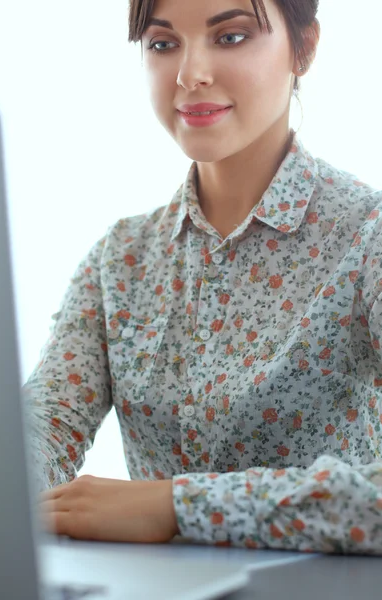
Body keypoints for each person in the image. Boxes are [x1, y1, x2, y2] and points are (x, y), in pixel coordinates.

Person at [28, 0, 382, 553]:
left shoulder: (368, 237)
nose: (190, 74)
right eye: (163, 44)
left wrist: (178, 506)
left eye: (232, 36)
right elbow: (46, 422)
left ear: (305, 47)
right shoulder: (121, 258)